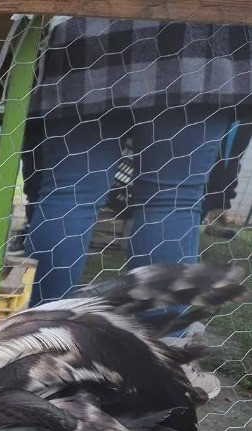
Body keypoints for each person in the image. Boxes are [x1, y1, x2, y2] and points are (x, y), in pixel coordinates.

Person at [22, 18, 252, 308]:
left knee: (69, 193)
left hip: (91, 34)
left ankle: (35, 334)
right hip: (193, 39)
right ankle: (160, 343)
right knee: (173, 199)